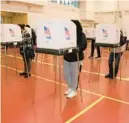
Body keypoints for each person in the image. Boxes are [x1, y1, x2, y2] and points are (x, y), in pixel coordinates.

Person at [63, 20, 87, 98]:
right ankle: (71, 87)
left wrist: (76, 48)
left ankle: (73, 90)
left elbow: (83, 45)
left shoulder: (81, 34)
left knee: (74, 75)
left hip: (76, 58)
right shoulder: (67, 34)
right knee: (66, 74)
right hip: (67, 57)